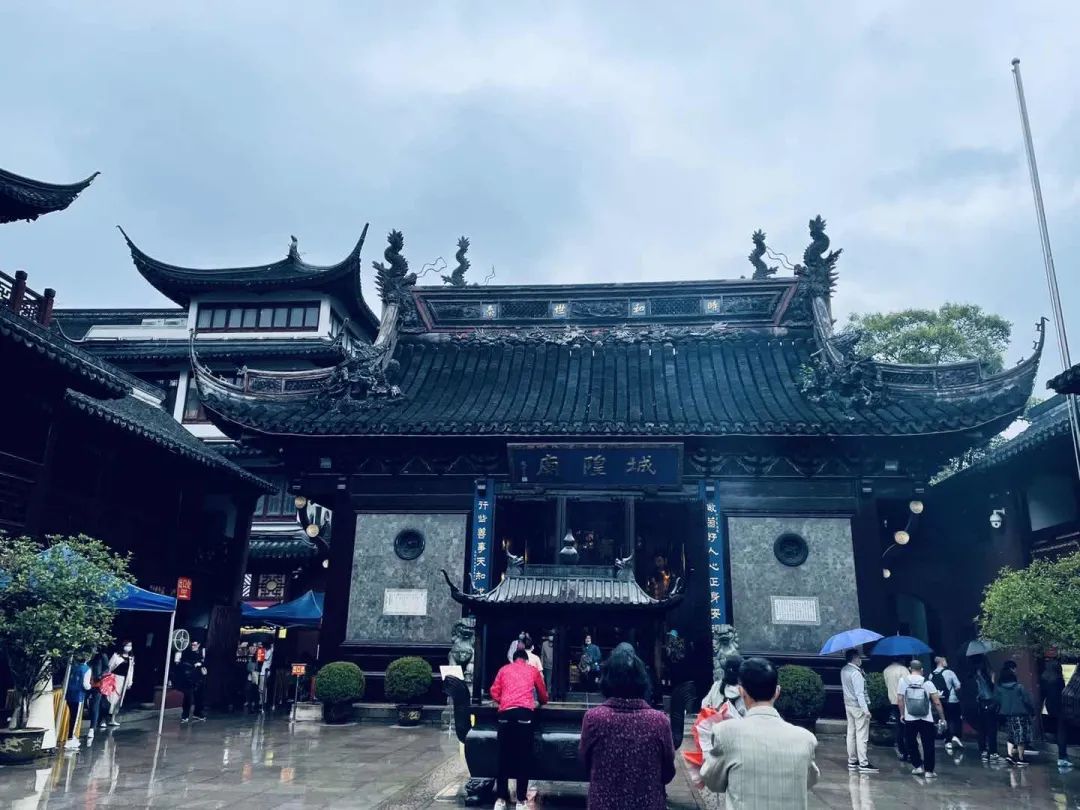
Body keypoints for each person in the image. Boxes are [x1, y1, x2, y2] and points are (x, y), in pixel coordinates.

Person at [701, 657, 819, 809]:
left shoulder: (725, 733)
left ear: (741, 691)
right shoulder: (806, 739)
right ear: (777, 692)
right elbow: (809, 780)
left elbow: (712, 781)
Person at [580, 643, 675, 810]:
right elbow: (668, 772)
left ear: (606, 680)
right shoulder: (659, 721)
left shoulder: (594, 719)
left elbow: (584, 765)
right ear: (642, 680)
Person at [489, 648, 548, 809]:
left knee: (503, 756)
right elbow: (543, 694)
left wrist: (504, 700)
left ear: (513, 659)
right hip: (524, 715)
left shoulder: (504, 669)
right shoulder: (532, 670)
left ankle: (500, 800)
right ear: (526, 660)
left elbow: (494, 691)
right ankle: (521, 801)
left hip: (505, 715)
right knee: (523, 757)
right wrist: (541, 701)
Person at [898, 659, 945, 778]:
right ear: (922, 670)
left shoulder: (903, 681)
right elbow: (937, 702)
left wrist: (902, 714)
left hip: (910, 717)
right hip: (926, 718)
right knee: (928, 744)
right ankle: (929, 771)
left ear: (910, 669)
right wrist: (942, 718)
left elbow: (900, 699)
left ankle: (918, 766)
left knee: (911, 742)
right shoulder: (927, 683)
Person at [840, 648, 877, 773]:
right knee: (862, 735)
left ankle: (852, 760)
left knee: (851, 732)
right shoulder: (856, 673)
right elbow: (860, 693)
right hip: (858, 707)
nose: (860, 659)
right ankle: (863, 763)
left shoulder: (844, 670)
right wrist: (866, 710)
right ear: (855, 658)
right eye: (859, 657)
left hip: (848, 705)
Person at [996, 665, 1036, 766]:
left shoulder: (1000, 689)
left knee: (1011, 735)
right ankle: (1021, 758)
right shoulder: (1019, 687)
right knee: (1021, 736)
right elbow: (1027, 700)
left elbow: (997, 701)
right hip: (1020, 715)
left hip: (1007, 715)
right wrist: (1032, 711)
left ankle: (1010, 755)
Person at [1040, 660, 1073, 769]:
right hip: (1060, 706)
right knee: (1062, 730)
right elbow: (1063, 693)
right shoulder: (1058, 679)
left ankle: (1062, 756)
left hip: (1050, 706)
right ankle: (1062, 757)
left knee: (1058, 729)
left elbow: (1042, 695)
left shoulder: (1044, 678)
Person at [931, 655, 963, 751]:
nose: (946, 662)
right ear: (941, 662)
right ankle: (954, 736)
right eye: (945, 661)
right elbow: (958, 686)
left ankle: (947, 740)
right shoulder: (949, 672)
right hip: (951, 700)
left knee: (944, 719)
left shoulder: (931, 675)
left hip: (939, 701)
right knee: (954, 718)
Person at [882, 657, 909, 761]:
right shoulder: (903, 670)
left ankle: (902, 751)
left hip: (893, 700)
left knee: (899, 727)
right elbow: (908, 685)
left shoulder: (886, 670)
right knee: (907, 728)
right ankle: (908, 751)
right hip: (904, 701)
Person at [64, 655, 92, 750]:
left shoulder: (73, 667)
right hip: (78, 695)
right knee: (75, 718)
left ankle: (71, 737)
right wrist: (90, 686)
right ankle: (70, 739)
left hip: (69, 694)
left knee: (71, 716)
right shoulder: (87, 669)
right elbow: (86, 685)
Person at [973, 657, 999, 761]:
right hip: (988, 704)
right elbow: (988, 692)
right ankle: (992, 751)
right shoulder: (983, 677)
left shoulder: (974, 677)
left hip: (979, 705)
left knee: (982, 729)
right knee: (991, 729)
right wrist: (992, 679)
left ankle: (983, 750)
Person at [177, 640, 208, 723]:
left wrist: (202, 667)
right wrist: (194, 664)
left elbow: (204, 663)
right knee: (188, 697)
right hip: (188, 678)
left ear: (199, 645)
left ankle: (197, 713)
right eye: (192, 645)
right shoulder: (187, 652)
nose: (193, 646)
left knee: (199, 697)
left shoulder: (201, 653)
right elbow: (183, 663)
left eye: (195, 645)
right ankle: (185, 716)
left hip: (198, 678)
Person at [105, 641, 135, 726]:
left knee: (118, 699)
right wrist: (107, 678)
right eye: (127, 645)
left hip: (123, 680)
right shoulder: (116, 655)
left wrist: (130, 682)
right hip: (114, 678)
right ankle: (103, 719)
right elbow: (109, 667)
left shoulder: (131, 658)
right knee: (110, 698)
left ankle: (113, 719)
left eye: (130, 645)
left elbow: (131, 671)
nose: (128, 647)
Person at [87, 648, 111, 738]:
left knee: (95, 706)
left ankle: (92, 728)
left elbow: (106, 669)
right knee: (85, 705)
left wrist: (100, 676)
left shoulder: (102, 656)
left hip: (97, 683)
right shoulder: (85, 655)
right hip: (85, 682)